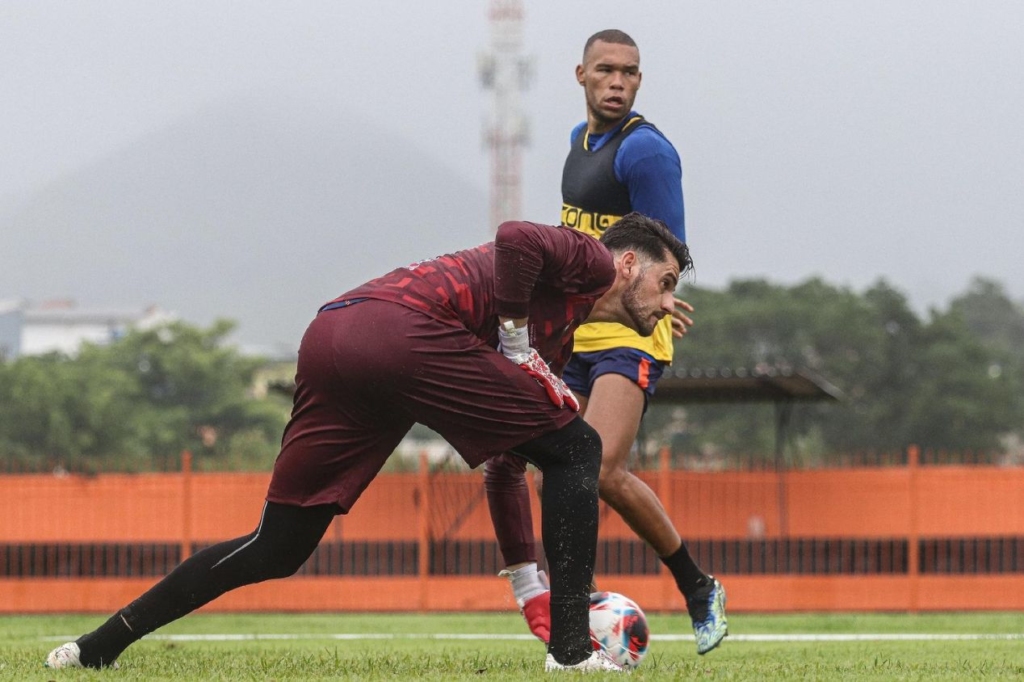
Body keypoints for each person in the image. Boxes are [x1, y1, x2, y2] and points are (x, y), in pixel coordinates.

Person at [45, 214, 692, 674]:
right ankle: (575, 654)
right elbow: (517, 237)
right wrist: (517, 343)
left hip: (336, 334)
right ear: (628, 263)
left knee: (278, 546)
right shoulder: (590, 259)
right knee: (579, 446)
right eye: (666, 284)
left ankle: (98, 647)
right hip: (399, 332)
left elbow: (505, 466)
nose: (667, 305)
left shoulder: (561, 335)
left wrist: (529, 588)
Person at [483, 29, 728, 655]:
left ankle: (698, 589)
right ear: (581, 75)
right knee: (559, 470)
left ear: (640, 81)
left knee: (602, 467)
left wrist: (662, 299)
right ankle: (581, 602)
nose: (617, 82)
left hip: (633, 331)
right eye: (606, 71)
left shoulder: (646, 153)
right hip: (578, 328)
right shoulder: (578, 145)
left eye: (630, 72)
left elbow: (668, 247)